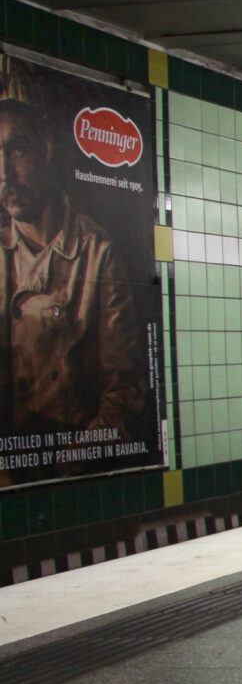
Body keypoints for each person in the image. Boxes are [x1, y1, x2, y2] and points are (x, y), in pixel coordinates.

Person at [0, 97, 145, 479]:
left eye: (17, 150)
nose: (4, 173)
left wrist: (72, 463)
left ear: (46, 148)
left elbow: (126, 389)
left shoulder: (95, 252)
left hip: (75, 466)